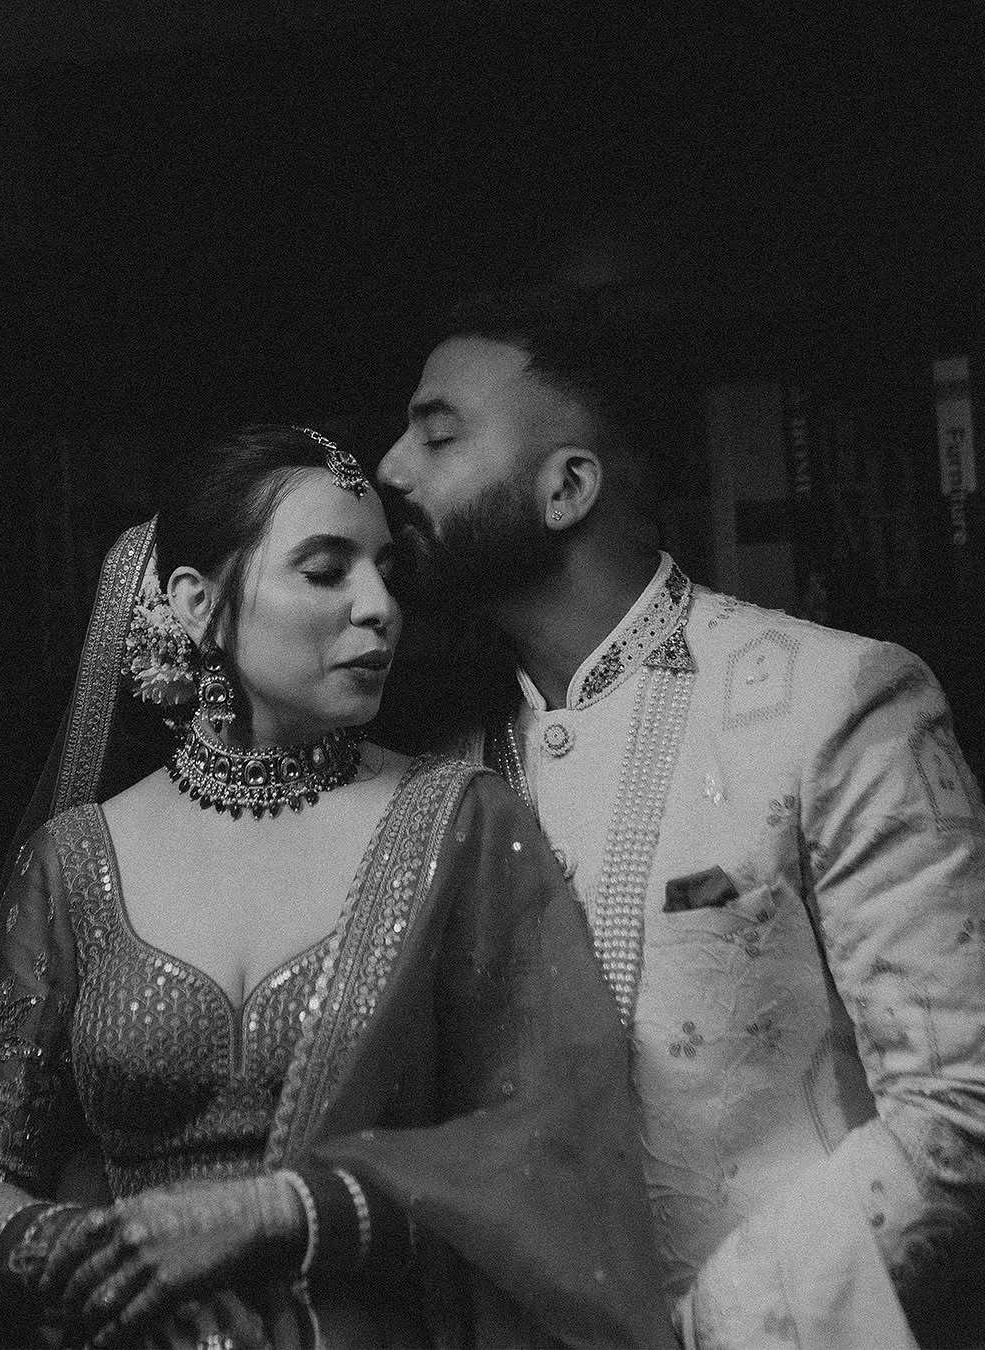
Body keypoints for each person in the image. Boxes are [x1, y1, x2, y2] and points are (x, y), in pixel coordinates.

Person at [0, 424, 676, 1350]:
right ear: (199, 604)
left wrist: (274, 1215)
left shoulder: (457, 824)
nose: (380, 608)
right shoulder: (74, 861)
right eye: (325, 572)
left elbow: (554, 1148)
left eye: (386, 572)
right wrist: (95, 1255)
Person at [376, 284, 985, 1349]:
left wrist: (713, 1328)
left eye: (438, 435)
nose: (390, 469)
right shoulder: (427, 765)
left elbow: (961, 1103)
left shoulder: (837, 700)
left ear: (567, 487)